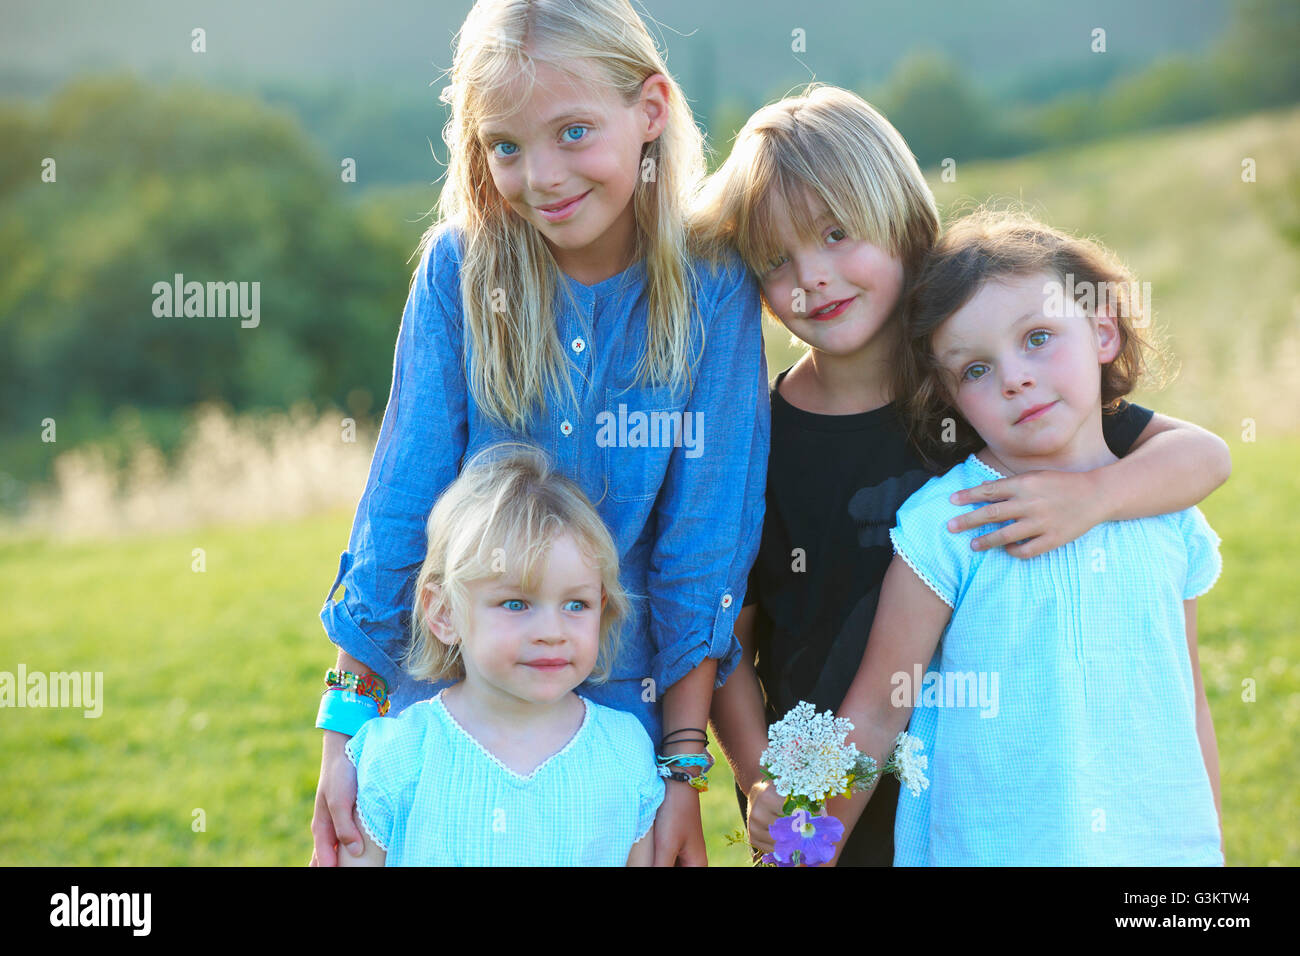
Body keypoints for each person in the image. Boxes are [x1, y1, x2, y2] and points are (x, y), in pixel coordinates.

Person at [695, 86, 1231, 865]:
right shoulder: (759, 439)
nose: (811, 277)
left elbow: (1204, 456)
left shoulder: (995, 396)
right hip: (833, 797)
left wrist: (1092, 497)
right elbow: (725, 637)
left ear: (903, 220)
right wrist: (761, 779)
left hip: (989, 794)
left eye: (838, 234)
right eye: (776, 260)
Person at [311, 0, 768, 867]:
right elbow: (400, 506)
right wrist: (342, 731)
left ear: (651, 112)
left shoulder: (714, 288)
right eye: (506, 146)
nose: (543, 176)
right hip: (451, 715)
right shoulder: (459, 271)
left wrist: (679, 769)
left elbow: (702, 550)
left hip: (619, 739)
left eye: (573, 132)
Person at [785, 209, 1224, 865]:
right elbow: (878, 711)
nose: (1014, 376)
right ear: (951, 397)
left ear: (1102, 332)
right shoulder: (950, 522)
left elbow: (1186, 696)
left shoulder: (1168, 515)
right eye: (976, 370)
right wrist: (800, 847)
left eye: (1039, 337)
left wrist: (1205, 842)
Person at [337, 445, 662, 866]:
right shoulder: (401, 757)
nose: (552, 632)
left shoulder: (625, 753)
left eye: (576, 604)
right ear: (443, 612)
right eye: (516, 603)